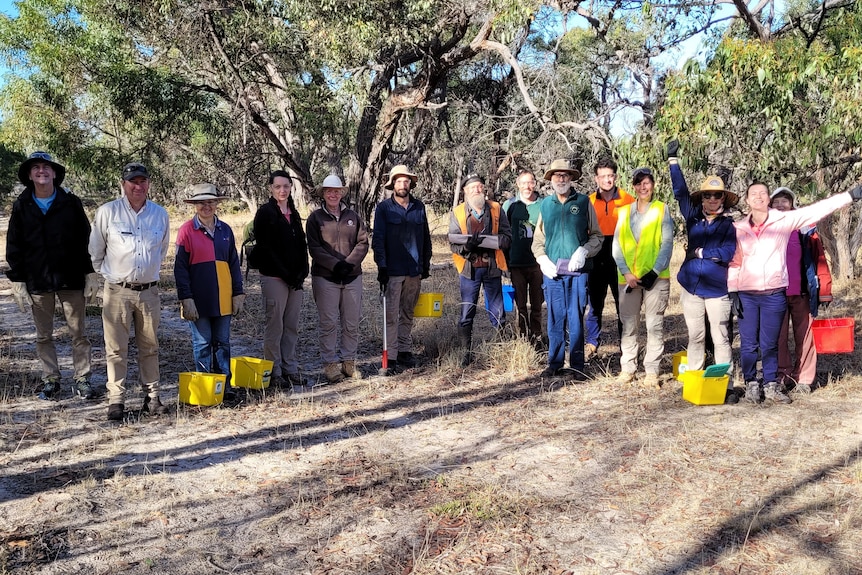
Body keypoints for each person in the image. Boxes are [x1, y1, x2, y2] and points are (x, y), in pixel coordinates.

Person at [728, 181, 861, 405]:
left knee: (770, 342)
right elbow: (735, 262)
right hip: (748, 294)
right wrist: (733, 291)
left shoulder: (783, 221)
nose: (759, 197)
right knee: (750, 343)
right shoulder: (739, 229)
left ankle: (771, 385)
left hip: (774, 293)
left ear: (767, 198)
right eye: (754, 194)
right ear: (747, 200)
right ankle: (752, 384)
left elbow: (817, 209)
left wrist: (849, 196)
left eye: (763, 193)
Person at [6, 152, 100, 400]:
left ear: (55, 173)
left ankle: (82, 379)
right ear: (29, 175)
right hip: (38, 280)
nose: (41, 171)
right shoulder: (22, 204)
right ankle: (51, 380)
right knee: (43, 335)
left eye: (46, 167)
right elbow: (14, 244)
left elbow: (86, 239)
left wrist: (90, 272)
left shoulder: (71, 202)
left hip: (71, 278)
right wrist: (17, 279)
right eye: (36, 168)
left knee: (78, 332)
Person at [89, 162, 170, 421]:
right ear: (123, 184)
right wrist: (109, 278)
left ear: (148, 184)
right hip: (117, 291)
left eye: (143, 181)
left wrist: (146, 274)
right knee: (115, 349)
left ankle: (152, 397)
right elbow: (95, 251)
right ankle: (116, 400)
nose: (138, 186)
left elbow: (161, 250)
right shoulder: (107, 212)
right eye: (133, 181)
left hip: (149, 292)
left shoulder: (160, 214)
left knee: (150, 346)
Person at [667, 140, 737, 384]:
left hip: (717, 289)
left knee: (720, 336)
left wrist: (701, 254)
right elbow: (680, 192)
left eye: (716, 196)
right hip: (691, 288)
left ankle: (723, 379)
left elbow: (727, 253)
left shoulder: (729, 226)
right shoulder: (693, 217)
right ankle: (695, 377)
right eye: (707, 195)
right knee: (695, 335)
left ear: (723, 199)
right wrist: (673, 161)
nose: (711, 200)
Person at [531, 159, 602, 377]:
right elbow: (537, 240)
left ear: (571, 178)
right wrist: (542, 259)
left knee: (575, 315)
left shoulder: (582, 203)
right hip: (553, 273)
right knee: (554, 316)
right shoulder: (546, 205)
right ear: (551, 179)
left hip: (577, 272)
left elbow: (597, 236)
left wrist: (583, 252)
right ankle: (554, 364)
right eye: (557, 176)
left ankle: (578, 365)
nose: (561, 179)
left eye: (565, 175)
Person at [174, 184, 244, 396]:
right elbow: (180, 268)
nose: (207, 206)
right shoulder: (187, 230)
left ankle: (224, 386)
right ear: (194, 205)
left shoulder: (226, 230)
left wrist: (238, 292)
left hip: (223, 297)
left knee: (222, 342)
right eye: (202, 202)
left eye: (211, 202)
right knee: (202, 342)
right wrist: (186, 297)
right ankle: (205, 388)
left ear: (217, 204)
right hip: (198, 299)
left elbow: (234, 263)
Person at [768, 186, 833, 395]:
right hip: (775, 292)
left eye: (785, 201)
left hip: (802, 291)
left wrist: (825, 289)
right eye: (776, 201)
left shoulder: (805, 228)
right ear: (770, 205)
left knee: (805, 335)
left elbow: (819, 259)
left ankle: (804, 379)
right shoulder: (766, 228)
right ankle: (782, 376)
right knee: (777, 338)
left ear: (792, 204)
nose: (780, 205)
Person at [612, 167, 673, 388]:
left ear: (653, 185)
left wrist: (654, 272)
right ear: (634, 187)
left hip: (656, 279)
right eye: (639, 183)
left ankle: (652, 371)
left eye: (647, 182)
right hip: (628, 279)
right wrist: (626, 272)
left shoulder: (661, 210)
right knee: (629, 326)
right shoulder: (625, 212)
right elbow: (617, 245)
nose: (643, 187)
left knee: (654, 326)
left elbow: (667, 244)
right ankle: (628, 368)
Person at [306, 174, 369, 384]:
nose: (333, 194)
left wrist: (348, 264)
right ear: (323, 194)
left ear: (342, 192)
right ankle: (330, 365)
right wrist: (335, 265)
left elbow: (362, 243)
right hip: (325, 277)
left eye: (336, 191)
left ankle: (349, 363)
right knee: (329, 322)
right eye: (329, 191)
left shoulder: (353, 216)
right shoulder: (315, 218)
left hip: (352, 277)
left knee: (351, 323)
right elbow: (314, 248)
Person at [373, 165, 432, 374]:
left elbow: (425, 237)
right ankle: (392, 355)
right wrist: (381, 265)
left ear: (410, 184)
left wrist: (425, 264)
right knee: (391, 314)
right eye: (398, 181)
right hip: (393, 270)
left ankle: (405, 351)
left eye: (406, 181)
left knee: (408, 311)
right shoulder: (384, 208)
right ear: (392, 184)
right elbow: (378, 238)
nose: (402, 185)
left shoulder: (419, 207)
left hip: (414, 270)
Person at [448, 173, 512, 366]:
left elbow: (507, 236)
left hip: (492, 268)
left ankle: (501, 350)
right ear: (465, 191)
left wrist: (500, 241)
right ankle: (465, 353)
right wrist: (469, 246)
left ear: (484, 189)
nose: (477, 189)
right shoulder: (458, 212)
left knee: (498, 311)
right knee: (467, 311)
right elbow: (453, 243)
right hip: (469, 270)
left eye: (480, 186)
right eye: (472, 187)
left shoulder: (496, 209)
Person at [253, 170, 310, 389]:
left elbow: (301, 244)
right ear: (270, 188)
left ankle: (290, 369)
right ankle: (274, 372)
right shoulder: (265, 212)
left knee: (291, 326)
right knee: (275, 326)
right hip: (274, 278)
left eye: (286, 186)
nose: (282, 190)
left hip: (295, 281)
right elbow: (266, 248)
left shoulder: (293, 212)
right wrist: (286, 274)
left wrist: (303, 271)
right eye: (278, 187)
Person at [585, 157, 634, 360]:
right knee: (595, 304)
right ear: (596, 178)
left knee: (623, 304)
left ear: (616, 176)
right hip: (596, 255)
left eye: (610, 176)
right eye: (603, 176)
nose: (607, 180)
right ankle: (591, 344)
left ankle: (627, 345)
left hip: (621, 257)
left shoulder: (628, 199)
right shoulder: (588, 201)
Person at [503, 170, 545, 347]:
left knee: (537, 305)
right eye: (524, 183)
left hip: (538, 263)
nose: (527, 187)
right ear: (518, 184)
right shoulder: (510, 205)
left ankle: (538, 338)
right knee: (520, 305)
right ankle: (522, 339)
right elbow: (503, 233)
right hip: (516, 263)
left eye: (531, 183)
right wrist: (504, 262)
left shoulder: (544, 204)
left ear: (535, 184)